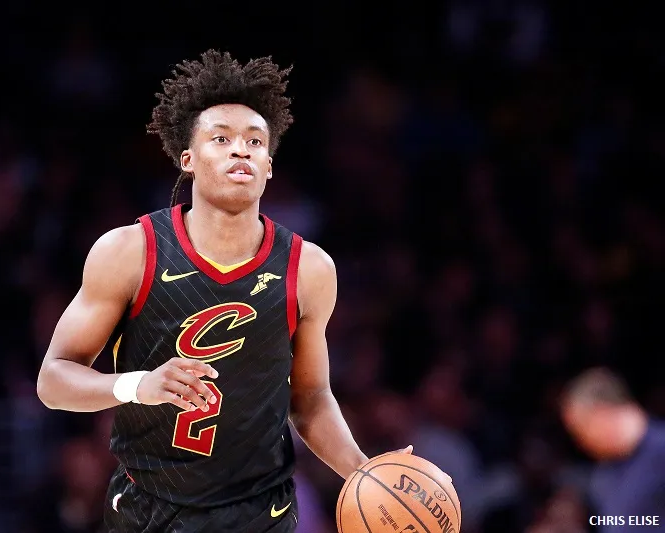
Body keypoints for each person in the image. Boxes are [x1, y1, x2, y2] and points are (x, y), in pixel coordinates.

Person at [36, 49, 412, 533]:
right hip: (149, 509)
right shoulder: (129, 251)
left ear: (269, 165)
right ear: (187, 160)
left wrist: (362, 471)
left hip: (261, 514)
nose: (241, 150)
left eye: (255, 141)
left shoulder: (310, 269)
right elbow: (53, 380)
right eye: (222, 139)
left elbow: (311, 398)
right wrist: (137, 385)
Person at [559, 367, 665, 530]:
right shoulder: (604, 475)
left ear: (600, 414)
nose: (580, 443)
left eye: (579, 431)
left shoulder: (661, 450)